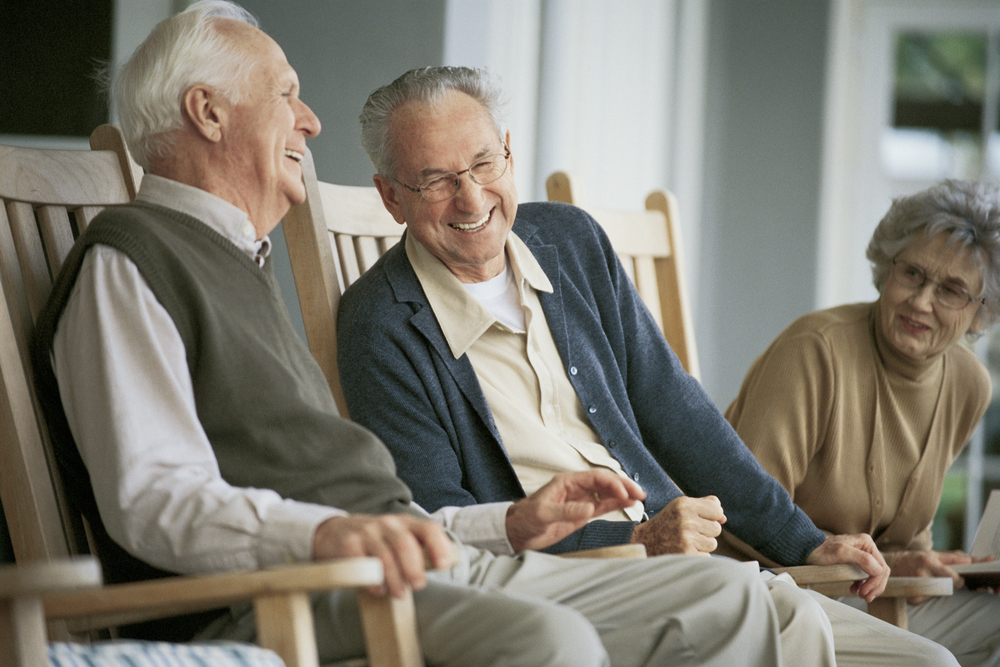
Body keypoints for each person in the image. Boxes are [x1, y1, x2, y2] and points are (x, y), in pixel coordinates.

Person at [26, 3, 846, 665]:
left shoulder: (237, 263)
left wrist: (509, 521)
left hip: (395, 564)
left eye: (485, 165)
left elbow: (384, 509)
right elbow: (152, 501)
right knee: (562, 639)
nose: (309, 122)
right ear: (207, 112)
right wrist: (324, 533)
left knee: (737, 596)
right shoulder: (129, 263)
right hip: (292, 596)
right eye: (286, 94)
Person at [337, 64, 959, 666]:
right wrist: (631, 542)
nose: (471, 197)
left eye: (481, 164)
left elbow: (676, 410)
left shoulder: (570, 242)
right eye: (436, 180)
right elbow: (442, 518)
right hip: (556, 579)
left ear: (508, 151)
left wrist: (806, 540)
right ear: (392, 197)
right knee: (763, 608)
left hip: (683, 564)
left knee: (925, 662)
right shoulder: (380, 325)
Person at [724, 179, 1000, 667]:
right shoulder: (815, 351)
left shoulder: (968, 384)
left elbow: (903, 534)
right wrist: (883, 565)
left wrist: (921, 564)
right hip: (774, 591)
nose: (920, 301)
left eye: (952, 290)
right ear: (886, 266)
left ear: (983, 311)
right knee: (931, 663)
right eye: (912, 273)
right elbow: (740, 513)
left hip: (868, 595)